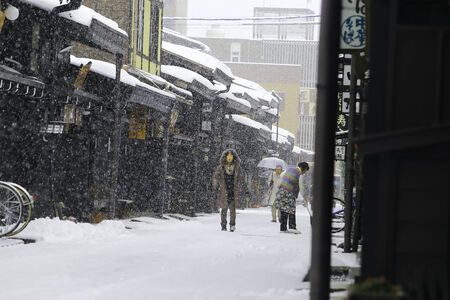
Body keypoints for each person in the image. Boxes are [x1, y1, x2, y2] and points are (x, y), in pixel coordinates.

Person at [212, 149, 249, 232]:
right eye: (228, 156)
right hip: (223, 191)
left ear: (234, 157)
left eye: (231, 156)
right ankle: (223, 225)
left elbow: (241, 179)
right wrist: (216, 185)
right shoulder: (221, 167)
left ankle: (232, 225)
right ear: (225, 157)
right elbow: (215, 177)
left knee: (232, 210)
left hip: (233, 191)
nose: (229, 158)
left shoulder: (237, 168)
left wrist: (246, 189)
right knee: (224, 209)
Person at [274, 162, 309, 233]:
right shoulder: (299, 174)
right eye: (305, 171)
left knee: (284, 210)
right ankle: (292, 227)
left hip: (282, 191)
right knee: (291, 210)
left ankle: (283, 228)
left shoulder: (288, 170)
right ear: (304, 168)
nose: (304, 173)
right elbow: (301, 187)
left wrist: (278, 190)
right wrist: (305, 197)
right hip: (290, 193)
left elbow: (280, 179)